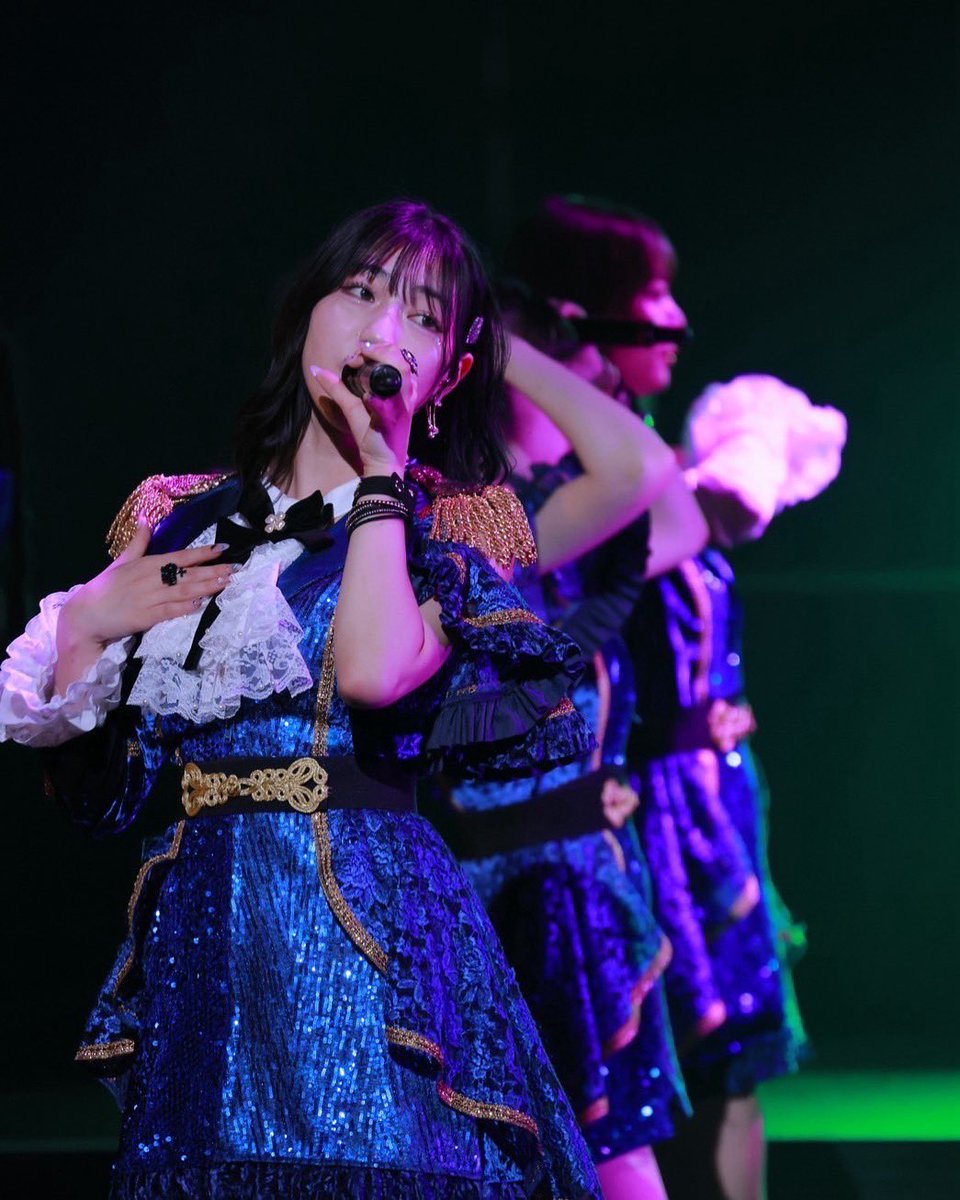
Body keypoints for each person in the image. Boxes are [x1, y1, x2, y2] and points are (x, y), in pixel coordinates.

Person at [0, 200, 611, 1199]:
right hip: (210, 960)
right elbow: (106, 799)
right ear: (306, 314)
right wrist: (87, 628)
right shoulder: (180, 519)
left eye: (421, 315)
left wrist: (380, 478)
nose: (382, 329)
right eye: (361, 292)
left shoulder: (449, 530)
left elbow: (371, 671)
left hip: (370, 955)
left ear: (450, 372)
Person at [506, 195, 842, 1200]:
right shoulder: (556, 487)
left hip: (698, 801)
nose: (676, 320)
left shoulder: (638, 463)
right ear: (583, 313)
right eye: (652, 295)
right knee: (634, 1097)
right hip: (614, 816)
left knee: (725, 1071)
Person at [425, 283, 709, 1200]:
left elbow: (675, 510)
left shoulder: (559, 527)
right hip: (511, 882)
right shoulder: (477, 531)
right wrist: (501, 345)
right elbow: (636, 466)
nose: (594, 386)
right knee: (559, 1156)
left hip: (576, 871)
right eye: (570, 368)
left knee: (608, 1147)